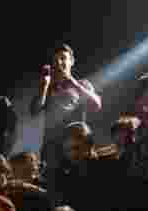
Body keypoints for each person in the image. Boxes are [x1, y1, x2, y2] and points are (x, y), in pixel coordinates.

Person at [29, 44, 102, 194]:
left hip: (77, 145)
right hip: (52, 147)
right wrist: (44, 85)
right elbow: (35, 111)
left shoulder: (82, 84)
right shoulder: (47, 86)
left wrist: (74, 83)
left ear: (72, 61)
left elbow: (96, 105)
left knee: (81, 187)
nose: (59, 63)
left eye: (63, 58)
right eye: (55, 60)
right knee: (53, 189)